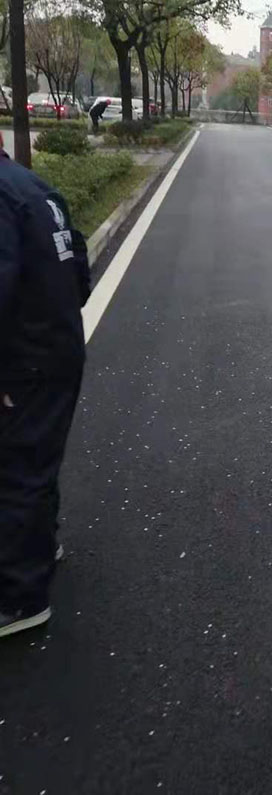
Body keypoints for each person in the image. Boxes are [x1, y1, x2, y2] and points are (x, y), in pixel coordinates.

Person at [0, 131, 90, 638]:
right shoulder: (34, 187)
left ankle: (20, 597)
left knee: (16, 470)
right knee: (36, 459)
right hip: (58, 349)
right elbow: (79, 266)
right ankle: (40, 544)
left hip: (24, 361)